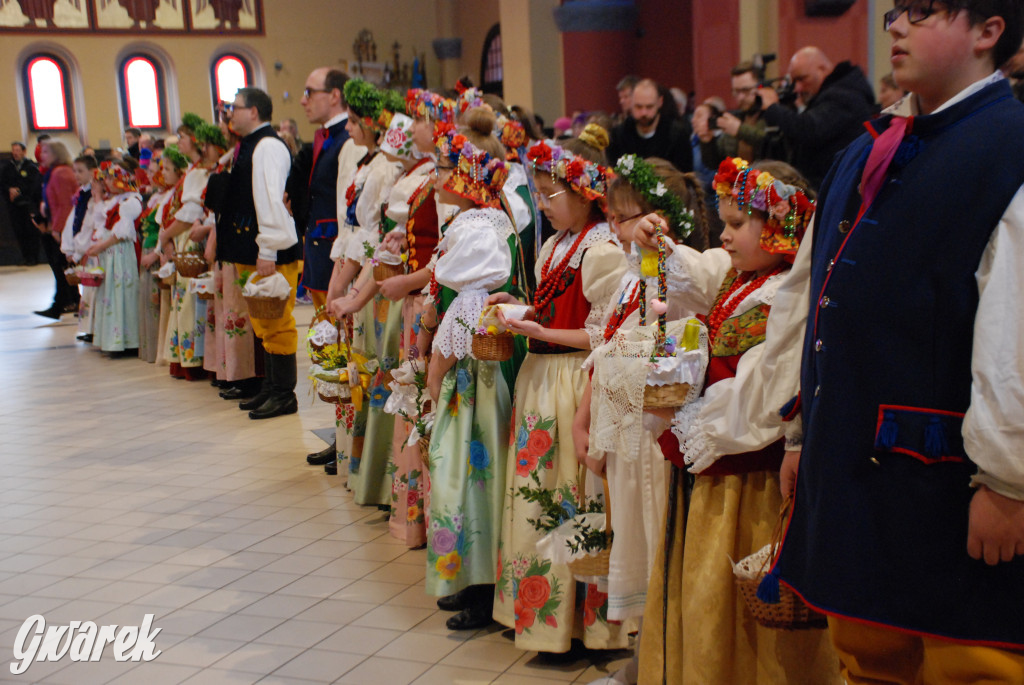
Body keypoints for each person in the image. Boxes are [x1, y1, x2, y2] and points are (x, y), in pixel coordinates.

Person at [770, 2, 1024, 682]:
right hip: (854, 464)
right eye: (894, 12)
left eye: (921, 10)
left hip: (954, 485)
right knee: (866, 658)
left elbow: (1016, 330)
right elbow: (812, 293)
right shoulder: (865, 145)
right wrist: (801, 432)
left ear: (988, 29)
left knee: (969, 664)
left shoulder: (1011, 144)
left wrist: (1010, 480)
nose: (896, 25)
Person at [633, 158, 838, 684]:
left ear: (780, 228)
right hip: (717, 478)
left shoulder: (783, 298)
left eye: (736, 224)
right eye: (721, 222)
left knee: (736, 614)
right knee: (702, 597)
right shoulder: (740, 277)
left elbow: (764, 391)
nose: (722, 236)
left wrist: (689, 415)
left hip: (749, 480)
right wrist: (659, 244)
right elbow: (695, 275)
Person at [492, 127, 630, 651]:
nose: (543, 203)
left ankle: (582, 626)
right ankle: (540, 617)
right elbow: (553, 303)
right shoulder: (556, 243)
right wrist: (523, 307)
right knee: (536, 495)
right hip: (541, 379)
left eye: (552, 194)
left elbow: (604, 331)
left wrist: (540, 331)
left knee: (568, 496)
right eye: (542, 192)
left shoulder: (600, 250)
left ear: (583, 194)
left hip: (573, 378)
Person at [421, 107, 523, 632]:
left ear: (466, 183)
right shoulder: (478, 222)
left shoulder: (477, 228)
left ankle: (482, 587)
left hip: (479, 379)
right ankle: (470, 577)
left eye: (444, 169)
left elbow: (463, 308)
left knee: (472, 476)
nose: (436, 177)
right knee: (463, 475)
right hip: (476, 375)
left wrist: (434, 375)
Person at [219, 87, 302, 420]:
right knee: (263, 323)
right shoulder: (251, 144)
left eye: (234, 108)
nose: (230, 115)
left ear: (253, 111)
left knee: (277, 322)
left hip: (272, 250)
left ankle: (284, 393)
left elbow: (271, 200)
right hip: (254, 247)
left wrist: (267, 247)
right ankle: (271, 387)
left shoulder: (267, 146)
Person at [759, 47, 876, 189]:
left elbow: (808, 129)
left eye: (802, 79)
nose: (797, 88)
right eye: (794, 81)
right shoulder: (837, 92)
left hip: (835, 187)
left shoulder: (844, 95)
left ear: (822, 69)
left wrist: (772, 107)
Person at [298, 67, 351, 313]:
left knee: (338, 336)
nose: (302, 100)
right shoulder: (329, 135)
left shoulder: (348, 139)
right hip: (320, 251)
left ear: (334, 96)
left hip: (336, 256)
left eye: (309, 92)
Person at [84, 162, 142, 355]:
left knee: (123, 293)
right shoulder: (116, 201)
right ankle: (112, 339)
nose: (106, 182)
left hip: (122, 254)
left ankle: (127, 340)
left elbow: (121, 234)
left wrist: (100, 246)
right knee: (111, 295)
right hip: (112, 254)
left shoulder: (131, 201)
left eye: (109, 178)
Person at [34, 139, 79, 319]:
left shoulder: (61, 173)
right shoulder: (55, 172)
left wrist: (59, 230)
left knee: (61, 267)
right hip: (57, 223)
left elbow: (65, 205)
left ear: (56, 154)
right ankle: (68, 301)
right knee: (62, 267)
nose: (41, 155)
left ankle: (60, 304)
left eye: (45, 152)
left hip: (62, 226)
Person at [607, 78, 693, 173]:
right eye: (638, 107)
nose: (644, 113)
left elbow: (685, 176)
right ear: (631, 103)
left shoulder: (677, 135)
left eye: (649, 107)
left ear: (660, 102)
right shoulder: (618, 135)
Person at [695, 62, 769, 172]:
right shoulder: (736, 118)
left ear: (760, 88)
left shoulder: (772, 115)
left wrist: (739, 130)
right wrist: (707, 142)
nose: (740, 97)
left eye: (745, 90)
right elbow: (715, 163)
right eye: (736, 91)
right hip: (739, 185)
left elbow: (771, 144)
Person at [59, 154, 98, 342]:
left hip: (91, 248)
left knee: (93, 291)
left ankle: (94, 329)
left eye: (80, 171)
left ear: (92, 172)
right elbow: (73, 221)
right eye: (74, 171)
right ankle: (89, 328)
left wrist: (78, 250)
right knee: (87, 291)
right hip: (82, 248)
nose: (76, 175)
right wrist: (68, 247)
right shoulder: (82, 194)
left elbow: (88, 226)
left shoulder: (93, 196)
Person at [2, 142, 42, 266]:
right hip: (13, 205)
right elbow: (2, 182)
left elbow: (33, 184)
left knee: (30, 230)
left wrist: (19, 190)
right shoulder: (8, 167)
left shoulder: (30, 166)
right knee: (19, 231)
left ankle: (33, 257)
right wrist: (10, 189)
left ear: (24, 152)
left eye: (18, 150)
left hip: (27, 203)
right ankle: (25, 256)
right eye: (14, 150)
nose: (16, 153)